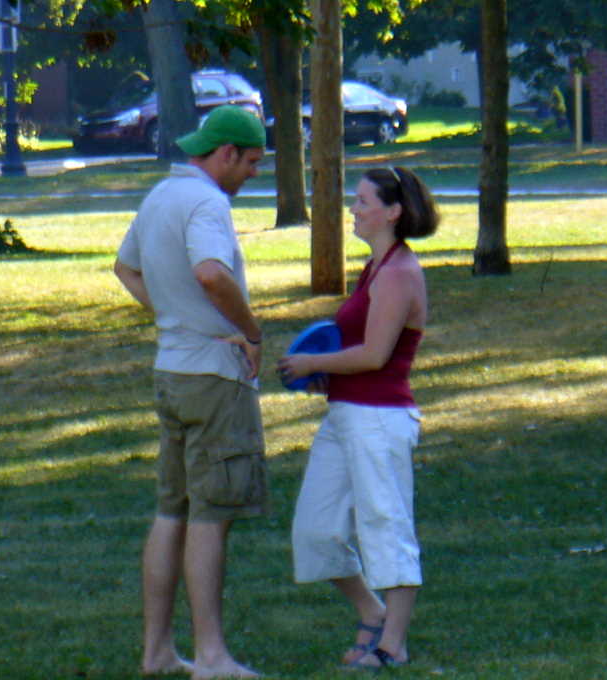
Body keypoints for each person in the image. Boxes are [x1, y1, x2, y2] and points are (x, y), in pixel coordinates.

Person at [113, 105, 269, 680]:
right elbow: (210, 272)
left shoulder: (161, 195)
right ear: (225, 153)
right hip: (212, 378)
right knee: (211, 515)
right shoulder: (206, 203)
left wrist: (174, 315)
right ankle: (211, 657)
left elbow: (125, 269)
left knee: (170, 510)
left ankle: (156, 652)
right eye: (251, 162)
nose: (253, 173)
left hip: (171, 370)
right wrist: (251, 332)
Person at [278, 166, 440, 670]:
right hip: (346, 413)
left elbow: (374, 355)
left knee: (385, 523)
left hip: (379, 417)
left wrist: (313, 364)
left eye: (364, 200)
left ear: (393, 211)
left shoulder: (398, 273)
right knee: (316, 532)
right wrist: (327, 372)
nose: (354, 208)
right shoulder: (374, 268)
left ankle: (393, 642)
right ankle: (370, 612)